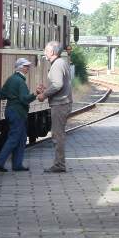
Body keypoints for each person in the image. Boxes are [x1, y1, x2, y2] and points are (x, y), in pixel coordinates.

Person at [0, 57, 35, 172]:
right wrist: (35, 94)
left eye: (28, 66)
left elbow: (1, 93)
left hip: (10, 111)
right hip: (18, 112)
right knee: (14, 138)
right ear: (20, 67)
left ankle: (17, 164)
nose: (28, 68)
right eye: (26, 66)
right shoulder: (20, 82)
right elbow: (24, 99)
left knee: (21, 138)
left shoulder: (11, 79)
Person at [41, 41, 73, 173]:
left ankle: (59, 164)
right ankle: (59, 163)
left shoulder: (57, 65)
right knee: (58, 134)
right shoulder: (62, 63)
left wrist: (44, 94)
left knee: (57, 135)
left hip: (60, 104)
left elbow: (58, 84)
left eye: (46, 50)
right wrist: (47, 90)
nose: (44, 52)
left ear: (53, 52)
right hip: (63, 102)